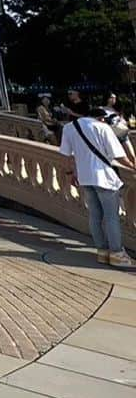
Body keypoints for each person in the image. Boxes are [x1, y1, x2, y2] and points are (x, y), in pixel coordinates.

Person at [59, 106, 134, 268]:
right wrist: (132, 166)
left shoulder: (69, 128)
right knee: (111, 217)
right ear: (101, 118)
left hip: (85, 177)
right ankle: (117, 253)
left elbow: (65, 155)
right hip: (104, 177)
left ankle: (102, 252)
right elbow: (119, 156)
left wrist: (70, 173)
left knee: (95, 215)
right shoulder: (102, 128)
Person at [101, 94, 136, 165]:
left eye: (115, 98)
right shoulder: (101, 109)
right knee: (118, 159)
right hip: (111, 136)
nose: (114, 100)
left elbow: (122, 121)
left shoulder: (117, 109)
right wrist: (108, 120)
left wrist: (126, 123)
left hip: (122, 134)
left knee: (132, 155)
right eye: (112, 98)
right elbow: (99, 121)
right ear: (107, 98)